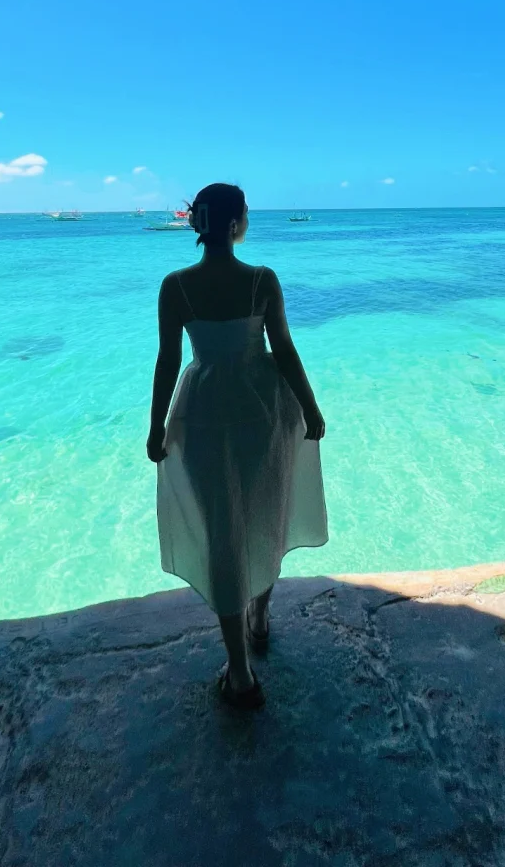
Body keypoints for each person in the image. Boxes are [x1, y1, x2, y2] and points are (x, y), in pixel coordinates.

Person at [147, 182, 328, 710]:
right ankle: (262, 617)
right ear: (234, 223)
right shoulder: (262, 280)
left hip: (203, 412)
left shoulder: (175, 286)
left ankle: (241, 673)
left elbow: (166, 363)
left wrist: (155, 427)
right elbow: (285, 351)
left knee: (223, 531)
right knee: (265, 512)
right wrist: (312, 410)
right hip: (264, 408)